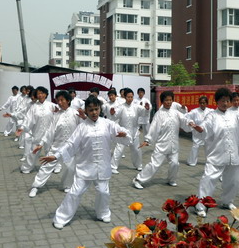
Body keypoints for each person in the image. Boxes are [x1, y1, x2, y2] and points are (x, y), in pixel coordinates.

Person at [39, 95, 130, 229]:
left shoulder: (107, 124)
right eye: (91, 110)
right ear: (86, 111)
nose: (94, 112)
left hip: (103, 166)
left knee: (104, 192)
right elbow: (70, 144)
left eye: (96, 109)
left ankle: (103, 212)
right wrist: (56, 156)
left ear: (100, 109)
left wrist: (125, 134)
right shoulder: (82, 127)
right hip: (85, 167)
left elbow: (123, 132)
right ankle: (61, 217)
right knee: (75, 192)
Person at [194, 88, 239, 216]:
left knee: (233, 181)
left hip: (232, 154)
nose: (225, 103)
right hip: (217, 154)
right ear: (217, 102)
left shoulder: (235, 115)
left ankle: (227, 201)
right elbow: (205, 127)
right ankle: (200, 205)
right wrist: (200, 129)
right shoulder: (212, 116)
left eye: (227, 101)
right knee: (209, 179)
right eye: (222, 101)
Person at [132, 91, 195, 190]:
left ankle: (171, 179)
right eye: (166, 100)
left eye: (170, 100)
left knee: (175, 163)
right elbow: (153, 128)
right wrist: (147, 140)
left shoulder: (176, 112)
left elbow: (184, 119)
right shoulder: (159, 114)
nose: (169, 102)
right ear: (162, 101)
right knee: (154, 164)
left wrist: (190, 122)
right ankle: (138, 180)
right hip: (162, 145)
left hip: (174, 144)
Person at [28, 90, 85, 197]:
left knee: (70, 168)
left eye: (62, 100)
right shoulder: (56, 115)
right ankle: (35, 186)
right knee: (46, 166)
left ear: (68, 101)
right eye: (58, 100)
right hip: (57, 146)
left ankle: (67, 185)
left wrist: (84, 117)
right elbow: (49, 131)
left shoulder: (76, 113)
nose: (59, 102)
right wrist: (41, 143)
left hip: (70, 148)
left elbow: (84, 127)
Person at [16, 86, 58, 174]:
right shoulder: (34, 107)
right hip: (38, 132)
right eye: (38, 93)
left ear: (46, 94)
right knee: (33, 151)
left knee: (51, 150)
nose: (40, 95)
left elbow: (59, 116)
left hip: (50, 133)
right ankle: (27, 167)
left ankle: (55, 166)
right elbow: (28, 119)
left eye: (42, 93)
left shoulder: (52, 105)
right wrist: (23, 127)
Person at [110, 88, 150, 174]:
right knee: (119, 149)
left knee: (136, 149)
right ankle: (113, 166)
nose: (130, 99)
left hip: (134, 131)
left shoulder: (136, 106)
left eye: (131, 97)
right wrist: (113, 113)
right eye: (128, 97)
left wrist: (147, 109)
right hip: (123, 131)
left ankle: (138, 165)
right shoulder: (121, 107)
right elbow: (115, 117)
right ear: (125, 97)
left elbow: (144, 112)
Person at [185, 96, 212, 166]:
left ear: (207, 103)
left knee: (208, 148)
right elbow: (186, 116)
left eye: (204, 103)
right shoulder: (194, 111)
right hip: (197, 132)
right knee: (195, 147)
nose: (202, 104)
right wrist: (190, 122)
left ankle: (210, 162)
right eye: (201, 103)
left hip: (207, 133)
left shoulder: (211, 111)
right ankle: (192, 161)